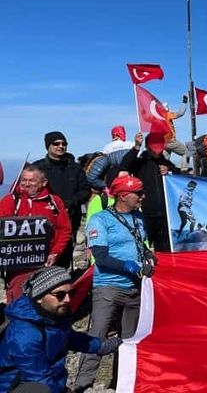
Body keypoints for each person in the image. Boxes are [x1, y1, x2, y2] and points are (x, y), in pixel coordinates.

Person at [73, 175, 156, 392]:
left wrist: (147, 254)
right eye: (138, 193)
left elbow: (140, 243)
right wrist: (129, 266)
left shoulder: (138, 217)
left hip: (134, 289)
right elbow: (100, 257)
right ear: (122, 196)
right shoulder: (100, 219)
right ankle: (83, 384)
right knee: (97, 336)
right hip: (108, 288)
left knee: (129, 340)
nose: (143, 197)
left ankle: (121, 383)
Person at [0, 267, 121, 393]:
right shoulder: (24, 334)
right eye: (60, 295)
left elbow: (69, 338)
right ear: (39, 297)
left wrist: (102, 346)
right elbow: (38, 379)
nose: (67, 300)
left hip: (52, 382)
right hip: (18, 387)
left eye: (71, 293)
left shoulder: (53, 317)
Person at [0, 166, 71, 302]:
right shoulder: (9, 201)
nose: (26, 184)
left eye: (31, 180)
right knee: (17, 302)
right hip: (17, 266)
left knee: (46, 302)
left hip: (47, 263)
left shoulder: (54, 202)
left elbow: (64, 230)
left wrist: (55, 253)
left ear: (44, 183)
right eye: (23, 180)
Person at [33, 131, 89, 268]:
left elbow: (86, 190)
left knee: (64, 255)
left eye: (64, 143)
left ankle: (61, 285)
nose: (61, 146)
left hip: (69, 219)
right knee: (41, 257)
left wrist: (71, 202)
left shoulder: (75, 169)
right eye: (56, 143)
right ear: (48, 146)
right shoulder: (37, 168)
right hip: (42, 221)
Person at [120, 132, 178, 252]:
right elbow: (125, 165)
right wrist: (136, 147)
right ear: (148, 147)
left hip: (165, 214)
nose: (157, 151)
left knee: (165, 249)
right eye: (154, 148)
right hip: (145, 213)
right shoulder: (141, 162)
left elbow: (179, 178)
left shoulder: (167, 163)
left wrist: (170, 171)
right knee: (143, 247)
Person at [162, 95, 190, 172]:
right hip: (171, 141)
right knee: (188, 151)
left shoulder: (158, 117)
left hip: (162, 143)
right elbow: (180, 113)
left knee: (164, 159)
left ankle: (161, 173)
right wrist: (184, 101)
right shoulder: (167, 115)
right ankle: (184, 170)